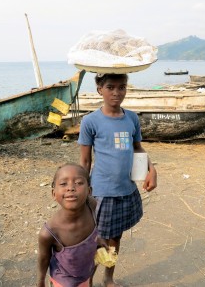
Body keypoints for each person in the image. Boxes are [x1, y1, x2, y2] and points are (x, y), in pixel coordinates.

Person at [78, 73, 157, 287]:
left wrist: (151, 169)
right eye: (110, 87)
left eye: (122, 87)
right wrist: (83, 193)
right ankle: (87, 281)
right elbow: (85, 161)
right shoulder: (90, 121)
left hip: (126, 190)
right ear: (99, 90)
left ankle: (108, 278)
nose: (116, 92)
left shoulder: (131, 118)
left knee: (116, 239)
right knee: (98, 242)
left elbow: (137, 148)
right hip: (103, 193)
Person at [37, 162, 99, 287]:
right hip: (63, 281)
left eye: (79, 183)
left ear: (89, 191)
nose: (71, 187)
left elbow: (100, 229)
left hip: (86, 272)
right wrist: (40, 281)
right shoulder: (49, 232)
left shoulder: (93, 207)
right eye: (63, 184)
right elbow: (44, 258)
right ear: (54, 193)